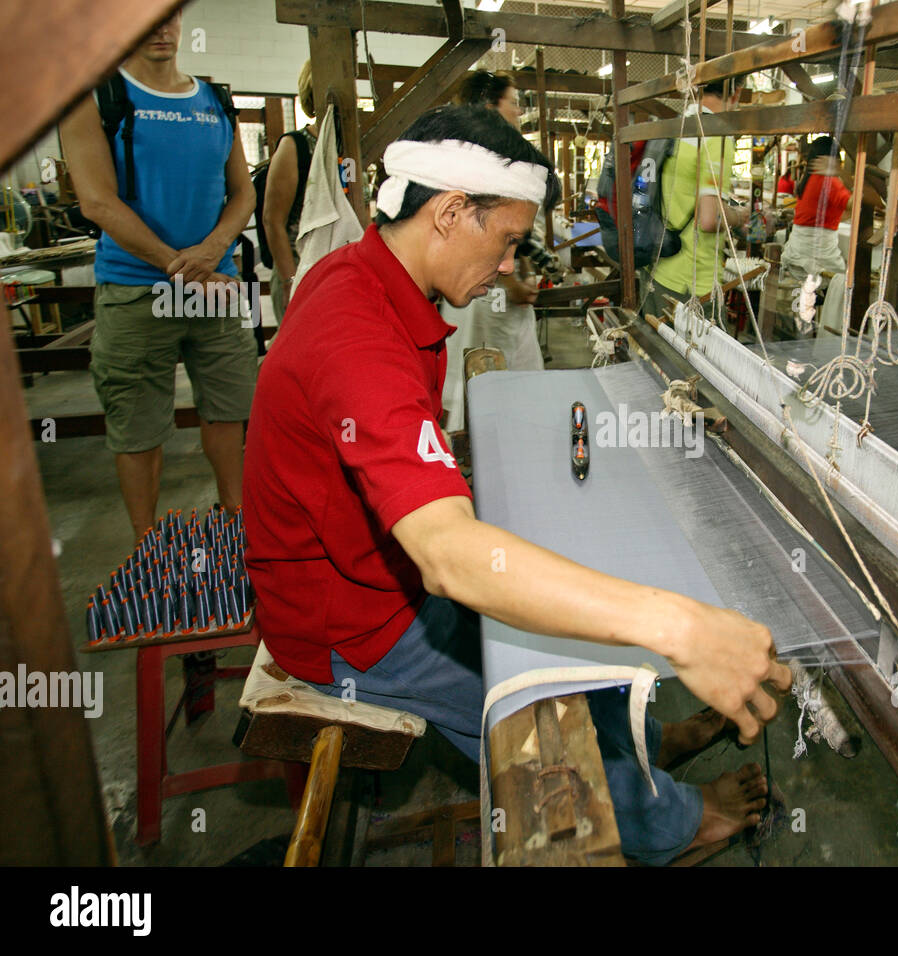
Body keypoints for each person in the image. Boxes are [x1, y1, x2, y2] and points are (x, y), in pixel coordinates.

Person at [242, 105, 790, 866]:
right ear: (449, 212)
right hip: (351, 627)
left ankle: (650, 742)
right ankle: (675, 823)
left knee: (563, 621)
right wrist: (682, 626)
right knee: (539, 700)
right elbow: (447, 558)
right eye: (505, 241)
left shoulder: (366, 276)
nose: (508, 266)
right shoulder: (354, 331)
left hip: (375, 578)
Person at [60, 9, 257, 543]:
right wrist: (182, 267)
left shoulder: (215, 100)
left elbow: (242, 193)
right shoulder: (95, 99)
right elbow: (98, 202)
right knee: (137, 426)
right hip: (135, 287)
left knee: (229, 410)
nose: (161, 29)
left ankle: (237, 527)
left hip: (212, 286)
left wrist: (214, 249)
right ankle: (148, 546)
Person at [440, 71, 542, 432]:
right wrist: (511, 281)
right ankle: (497, 447)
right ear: (489, 107)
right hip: (487, 292)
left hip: (486, 289)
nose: (518, 112)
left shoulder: (476, 155)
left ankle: (499, 443)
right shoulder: (486, 161)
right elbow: (488, 234)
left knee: (488, 374)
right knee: (491, 375)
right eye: (513, 103)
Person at [643, 80, 748, 320]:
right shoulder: (715, 136)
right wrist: (737, 215)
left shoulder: (676, 127)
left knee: (654, 354)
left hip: (657, 267)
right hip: (691, 285)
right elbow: (709, 220)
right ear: (737, 92)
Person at [262, 60, 318, 322]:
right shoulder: (295, 146)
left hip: (337, 273)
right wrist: (290, 281)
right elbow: (273, 220)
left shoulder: (353, 147)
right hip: (299, 270)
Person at [780, 136, 856, 285]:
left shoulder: (809, 178)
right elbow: (855, 204)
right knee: (843, 281)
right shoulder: (829, 181)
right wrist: (846, 176)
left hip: (798, 252)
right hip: (816, 258)